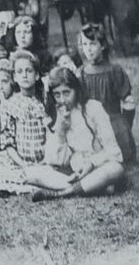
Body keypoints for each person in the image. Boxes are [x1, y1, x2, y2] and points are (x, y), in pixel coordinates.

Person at [27, 65, 127, 199]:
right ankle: (92, 187)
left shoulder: (93, 108)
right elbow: (53, 161)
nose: (62, 100)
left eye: (66, 93)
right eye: (57, 94)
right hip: (72, 174)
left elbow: (114, 151)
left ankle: (64, 193)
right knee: (32, 172)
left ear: (76, 90)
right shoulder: (55, 114)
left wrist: (91, 164)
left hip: (98, 168)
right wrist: (61, 131)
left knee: (116, 169)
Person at [0, 50, 52, 195]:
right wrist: (22, 164)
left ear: (36, 76)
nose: (24, 75)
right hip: (20, 162)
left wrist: (45, 160)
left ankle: (39, 180)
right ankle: (32, 182)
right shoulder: (9, 105)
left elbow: (51, 136)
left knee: (51, 171)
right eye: (20, 72)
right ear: (14, 77)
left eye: (29, 71)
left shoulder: (44, 103)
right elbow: (8, 142)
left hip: (44, 160)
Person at [77, 22, 137, 163]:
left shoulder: (114, 71)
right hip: (91, 124)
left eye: (92, 44)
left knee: (118, 153)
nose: (88, 49)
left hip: (114, 122)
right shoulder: (82, 73)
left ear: (102, 46)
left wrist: (126, 127)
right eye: (85, 45)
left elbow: (128, 102)